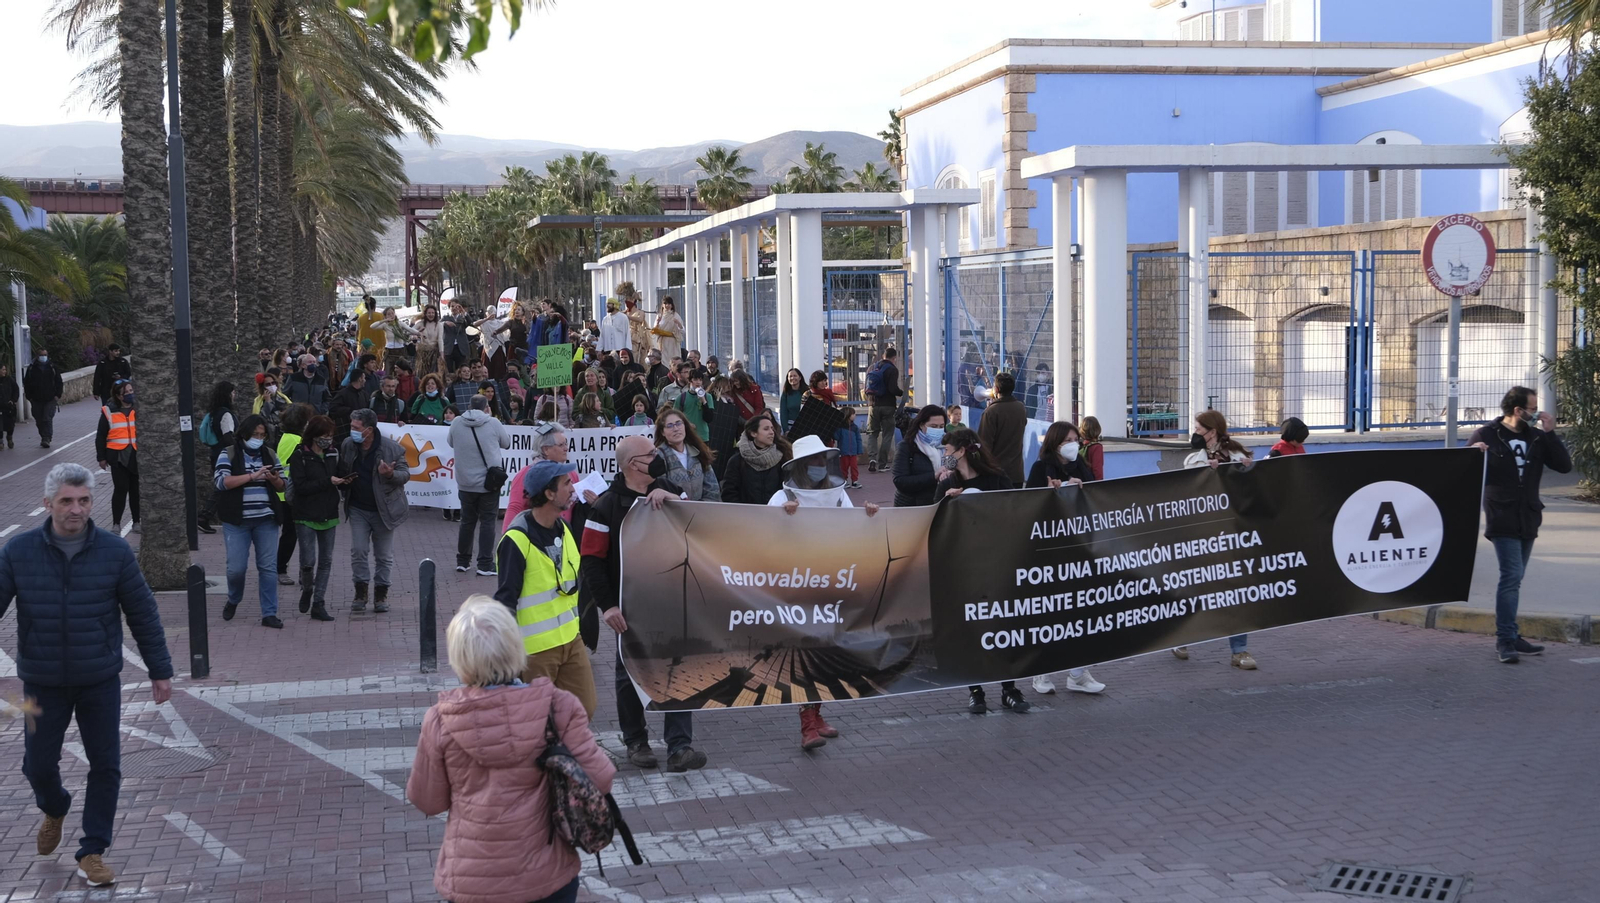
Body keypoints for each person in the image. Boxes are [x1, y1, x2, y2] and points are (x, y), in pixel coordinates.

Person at [0, 462, 173, 888]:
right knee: (37, 765)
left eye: (83, 501)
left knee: (106, 765)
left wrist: (160, 669)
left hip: (99, 679)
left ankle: (92, 850)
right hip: (41, 681)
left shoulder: (114, 552)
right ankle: (55, 806)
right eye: (66, 501)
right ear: (48, 503)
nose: (76, 509)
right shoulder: (18, 552)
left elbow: (143, 613)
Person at [408, 595, 614, 903]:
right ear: (516, 646)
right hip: (547, 876)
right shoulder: (558, 707)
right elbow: (600, 779)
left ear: (460, 657)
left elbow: (428, 800)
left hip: (471, 880)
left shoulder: (441, 720)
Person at [582, 435, 708, 772]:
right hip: (629, 607)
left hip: (672, 600)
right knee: (631, 675)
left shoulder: (670, 490)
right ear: (631, 465)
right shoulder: (605, 506)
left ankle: (680, 747)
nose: (657, 457)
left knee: (679, 668)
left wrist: (674, 500)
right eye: (650, 454)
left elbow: (700, 524)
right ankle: (636, 741)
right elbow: (591, 561)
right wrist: (607, 606)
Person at [770, 435, 881, 748]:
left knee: (825, 652)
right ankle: (807, 725)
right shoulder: (782, 496)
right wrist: (782, 518)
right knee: (805, 654)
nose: (820, 465)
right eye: (814, 461)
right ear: (803, 465)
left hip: (830, 584)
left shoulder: (837, 493)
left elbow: (850, 525)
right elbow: (761, 533)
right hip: (797, 588)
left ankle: (816, 716)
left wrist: (868, 516)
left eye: (823, 459)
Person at [1469, 386, 1572, 664]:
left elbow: (1564, 466)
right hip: (1501, 515)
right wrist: (1474, 454)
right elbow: (1464, 471)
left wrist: (1551, 433)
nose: (1536, 412)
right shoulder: (1487, 435)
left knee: (1516, 579)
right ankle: (1505, 640)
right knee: (1511, 576)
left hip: (1528, 515)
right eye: (1533, 408)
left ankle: (1511, 635)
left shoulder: (1537, 437)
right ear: (1518, 410)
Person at [934, 429, 1031, 714]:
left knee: (1002, 628)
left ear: (962, 451)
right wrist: (946, 504)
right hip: (962, 569)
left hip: (996, 565)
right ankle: (975, 691)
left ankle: (1009, 689)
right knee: (971, 629)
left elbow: (1014, 511)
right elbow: (933, 522)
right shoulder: (947, 483)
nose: (945, 457)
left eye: (948, 451)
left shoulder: (996, 479)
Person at [492, 459, 598, 715]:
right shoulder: (516, 540)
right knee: (534, 720)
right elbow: (505, 601)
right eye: (566, 483)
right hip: (534, 651)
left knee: (583, 711)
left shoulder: (564, 529)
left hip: (571, 641)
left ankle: (563, 753)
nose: (573, 489)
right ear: (549, 494)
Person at [1024, 422, 1106, 696]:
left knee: (1080, 614)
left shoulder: (1079, 466)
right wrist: (1051, 493)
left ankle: (1078, 674)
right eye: (1069, 439)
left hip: (1077, 551)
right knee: (1049, 614)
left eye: (1077, 439)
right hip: (1049, 555)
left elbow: (1094, 494)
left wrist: (1080, 487)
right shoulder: (1041, 468)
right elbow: (1029, 508)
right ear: (1056, 443)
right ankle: (1041, 674)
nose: (1075, 444)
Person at [1174, 409, 1255, 669]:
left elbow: (1252, 487)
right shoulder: (1193, 460)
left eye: (1198, 429)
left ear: (1213, 431)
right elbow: (1188, 491)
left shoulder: (1238, 455)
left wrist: (1246, 470)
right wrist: (1206, 473)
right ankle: (1182, 638)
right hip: (1203, 536)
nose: (1195, 434)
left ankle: (1239, 651)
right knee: (1196, 588)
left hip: (1232, 534)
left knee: (1236, 591)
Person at [214, 414, 288, 628]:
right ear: (244, 434)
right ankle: (234, 598)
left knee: (268, 567)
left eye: (262, 435)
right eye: (254, 434)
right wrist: (252, 476)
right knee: (235, 569)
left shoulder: (270, 454)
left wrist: (274, 479)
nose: (258, 438)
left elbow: (283, 484)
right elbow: (221, 482)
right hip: (237, 521)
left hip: (266, 519)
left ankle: (269, 613)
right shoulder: (228, 453)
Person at [338, 408, 411, 613]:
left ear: (368, 430)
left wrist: (389, 474)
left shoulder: (392, 449)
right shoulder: (348, 445)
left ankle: (381, 594)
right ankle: (360, 592)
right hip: (358, 508)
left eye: (355, 427)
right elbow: (343, 468)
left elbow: (405, 474)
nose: (351, 430)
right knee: (359, 550)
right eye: (351, 426)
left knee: (384, 555)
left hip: (384, 509)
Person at [449, 395, 511, 577]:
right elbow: (506, 443)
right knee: (487, 521)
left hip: (465, 481)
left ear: (468, 406)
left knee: (467, 521)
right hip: (487, 483)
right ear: (486, 408)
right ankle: (484, 563)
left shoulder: (457, 422)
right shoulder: (492, 423)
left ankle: (463, 561)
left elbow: (450, 442)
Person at [286, 415, 340, 622]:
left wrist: (344, 480)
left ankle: (319, 603)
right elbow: (301, 486)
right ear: (314, 435)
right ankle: (307, 588)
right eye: (324, 436)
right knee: (308, 561)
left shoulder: (333, 453)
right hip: (305, 513)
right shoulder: (300, 455)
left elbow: (339, 474)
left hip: (329, 512)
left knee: (326, 561)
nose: (328, 440)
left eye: (331, 436)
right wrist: (328, 481)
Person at [273, 403, 314, 587]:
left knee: (292, 534)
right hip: (292, 494)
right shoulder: (296, 441)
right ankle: (281, 569)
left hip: (284, 493)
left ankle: (287, 568)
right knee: (292, 535)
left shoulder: (285, 437)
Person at [94, 379, 140, 535]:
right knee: (120, 490)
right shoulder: (108, 411)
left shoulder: (138, 408)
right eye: (126, 392)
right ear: (119, 396)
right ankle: (116, 524)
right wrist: (101, 457)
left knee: (136, 491)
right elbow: (101, 435)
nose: (130, 394)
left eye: (131, 391)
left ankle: (137, 522)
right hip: (118, 456)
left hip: (136, 454)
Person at [654, 408, 719, 501]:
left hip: (701, 512)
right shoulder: (658, 457)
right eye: (669, 426)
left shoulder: (698, 452)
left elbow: (712, 488)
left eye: (678, 423)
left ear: (685, 426)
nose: (676, 429)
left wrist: (701, 508)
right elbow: (660, 491)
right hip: (673, 512)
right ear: (662, 432)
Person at [976, 371, 1026, 487]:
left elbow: (984, 444)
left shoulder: (991, 412)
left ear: (996, 390)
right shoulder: (1020, 408)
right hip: (1016, 472)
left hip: (996, 474)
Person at [891, 405, 947, 508]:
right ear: (921, 425)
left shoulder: (949, 446)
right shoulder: (907, 447)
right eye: (933, 426)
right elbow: (900, 480)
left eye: (941, 426)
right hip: (913, 507)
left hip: (941, 504)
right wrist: (933, 476)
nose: (938, 430)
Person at [864, 347, 904, 473]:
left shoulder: (872, 367)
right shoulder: (892, 369)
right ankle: (882, 464)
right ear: (894, 358)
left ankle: (872, 459)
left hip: (872, 405)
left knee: (872, 433)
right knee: (887, 434)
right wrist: (902, 393)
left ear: (883, 355)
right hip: (888, 406)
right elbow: (893, 389)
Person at [23, 348, 64, 449]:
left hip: (50, 398)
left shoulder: (52, 367)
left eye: (45, 354)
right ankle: (43, 436)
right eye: (42, 355)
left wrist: (57, 395)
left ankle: (47, 438)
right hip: (36, 399)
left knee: (47, 418)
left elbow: (59, 381)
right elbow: (27, 383)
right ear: (37, 356)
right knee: (39, 419)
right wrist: (29, 397)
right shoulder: (32, 368)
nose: (43, 357)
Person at [329, 369, 368, 443]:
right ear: (360, 379)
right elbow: (333, 409)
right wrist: (350, 411)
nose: (365, 380)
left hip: (360, 431)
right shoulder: (343, 393)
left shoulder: (364, 394)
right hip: (345, 430)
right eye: (364, 378)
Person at [676, 370, 714, 438]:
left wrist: (704, 401)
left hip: (703, 436)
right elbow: (676, 417)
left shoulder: (708, 397)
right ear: (690, 381)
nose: (698, 382)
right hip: (687, 435)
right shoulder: (681, 397)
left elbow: (709, 419)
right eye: (695, 379)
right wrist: (687, 423)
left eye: (700, 380)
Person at [253, 372, 288, 442]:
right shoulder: (259, 401)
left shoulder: (283, 398)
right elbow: (260, 418)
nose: (271, 385)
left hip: (283, 434)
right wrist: (268, 402)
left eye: (273, 383)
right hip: (268, 436)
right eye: (268, 384)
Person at [413, 303, 446, 378]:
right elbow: (410, 331)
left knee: (434, 372)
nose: (431, 315)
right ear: (425, 314)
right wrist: (417, 333)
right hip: (423, 352)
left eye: (433, 313)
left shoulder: (439, 325)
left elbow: (440, 340)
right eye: (429, 313)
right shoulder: (420, 323)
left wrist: (442, 354)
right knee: (422, 373)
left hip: (434, 352)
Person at [835, 407, 863, 489]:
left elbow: (858, 439)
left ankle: (855, 481)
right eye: (853, 414)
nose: (855, 415)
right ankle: (844, 480)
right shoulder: (840, 427)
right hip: (844, 451)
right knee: (844, 467)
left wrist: (859, 450)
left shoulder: (855, 427)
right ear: (848, 415)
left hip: (853, 452)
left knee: (854, 467)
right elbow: (836, 437)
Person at [652, 296, 685, 362]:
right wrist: (658, 322)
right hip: (661, 343)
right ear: (662, 305)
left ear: (672, 305)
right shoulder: (659, 316)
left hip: (672, 343)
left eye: (669, 304)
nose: (667, 305)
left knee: (672, 360)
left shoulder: (675, 315)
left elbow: (682, 331)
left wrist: (678, 324)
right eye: (665, 304)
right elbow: (654, 330)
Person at [1079, 415, 1105, 480]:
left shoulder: (1080, 446)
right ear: (1098, 429)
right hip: (1091, 483)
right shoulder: (1097, 447)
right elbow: (1097, 469)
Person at [0, 363, 17, 449]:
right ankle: (0, 441)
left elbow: (15, 390)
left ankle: (9, 437)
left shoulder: (9, 380)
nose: (4, 371)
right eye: (3, 369)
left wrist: (13, 400)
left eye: (5, 370)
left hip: (9, 407)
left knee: (10, 425)